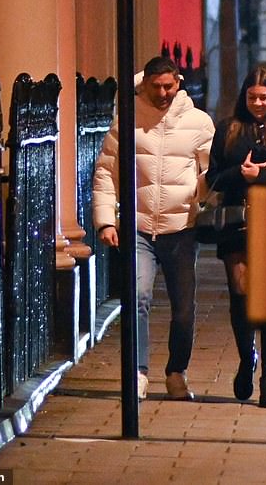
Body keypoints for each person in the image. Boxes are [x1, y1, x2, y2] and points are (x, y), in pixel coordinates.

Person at [93, 56, 214, 401]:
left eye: (169, 86)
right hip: (139, 225)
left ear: (178, 83)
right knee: (138, 297)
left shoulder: (199, 123)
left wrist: (202, 197)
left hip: (181, 227)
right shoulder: (127, 119)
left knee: (184, 307)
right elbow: (106, 173)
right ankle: (138, 371)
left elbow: (211, 173)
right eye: (156, 86)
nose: (162, 93)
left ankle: (177, 372)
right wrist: (105, 220)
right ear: (145, 83)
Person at [205, 66, 266, 408]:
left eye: (263, 97)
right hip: (238, 224)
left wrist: (263, 178)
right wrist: (240, 174)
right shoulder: (229, 130)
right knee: (242, 294)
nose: (258, 103)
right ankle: (248, 357)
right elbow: (213, 177)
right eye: (252, 97)